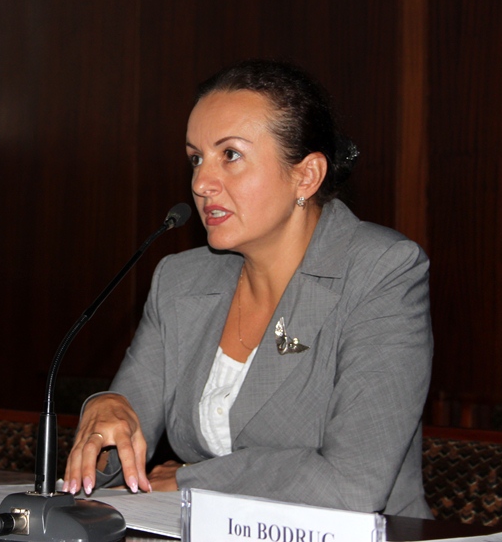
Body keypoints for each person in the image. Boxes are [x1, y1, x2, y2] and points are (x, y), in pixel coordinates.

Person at [62, 59, 434, 518]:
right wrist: (105, 411)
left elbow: (352, 485)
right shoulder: (180, 282)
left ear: (306, 176)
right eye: (196, 158)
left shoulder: (382, 270)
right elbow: (118, 471)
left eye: (230, 155)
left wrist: (192, 479)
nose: (201, 183)